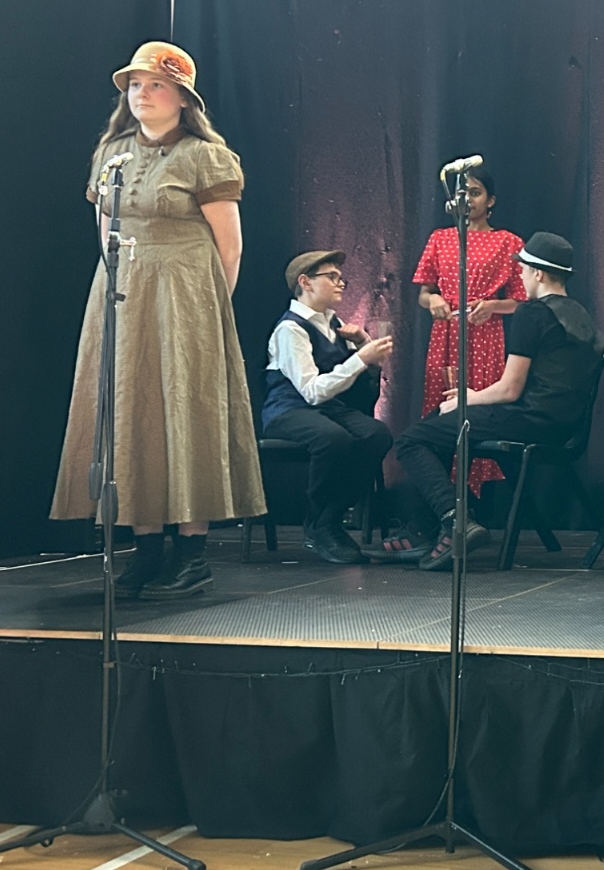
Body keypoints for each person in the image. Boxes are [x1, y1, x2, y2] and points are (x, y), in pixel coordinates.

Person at [51, 42, 266, 600]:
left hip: (186, 293)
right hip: (124, 293)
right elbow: (105, 229)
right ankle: (145, 548)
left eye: (155, 85)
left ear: (182, 99)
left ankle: (191, 553)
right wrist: (115, 282)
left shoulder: (204, 156)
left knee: (186, 408)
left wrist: (209, 312)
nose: (141, 94)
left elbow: (229, 246)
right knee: (131, 409)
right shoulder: (112, 154)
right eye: (135, 85)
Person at [386, 233, 604, 571]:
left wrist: (468, 399)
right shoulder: (582, 315)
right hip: (565, 427)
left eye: (523, 270)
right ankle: (429, 528)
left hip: (530, 420)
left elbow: (509, 390)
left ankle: (454, 519)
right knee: (437, 427)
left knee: (412, 439)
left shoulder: (533, 313)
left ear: (538, 273)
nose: (521, 276)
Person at [262, 250, 395, 565]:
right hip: (288, 410)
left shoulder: (335, 324)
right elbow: (311, 392)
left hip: (327, 409)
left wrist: (362, 345)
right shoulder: (290, 329)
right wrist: (359, 359)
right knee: (333, 439)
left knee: (376, 435)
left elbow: (356, 392)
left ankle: (329, 519)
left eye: (341, 277)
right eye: (331, 277)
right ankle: (318, 522)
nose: (341, 283)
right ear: (305, 282)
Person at [412, 169, 525, 498]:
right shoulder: (440, 238)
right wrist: (433, 300)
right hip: (445, 334)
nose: (468, 200)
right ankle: (440, 497)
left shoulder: (508, 241)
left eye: (475, 193)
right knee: (441, 405)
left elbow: (521, 300)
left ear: (490, 200)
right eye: (462, 194)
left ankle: (475, 499)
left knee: (477, 409)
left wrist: (492, 306)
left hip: (484, 334)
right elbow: (424, 293)